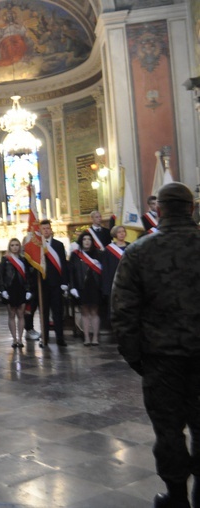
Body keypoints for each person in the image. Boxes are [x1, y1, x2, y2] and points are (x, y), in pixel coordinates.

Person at [112, 182, 200, 508]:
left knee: (169, 431)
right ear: (191, 208)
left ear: (158, 210)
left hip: (162, 361)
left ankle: (176, 497)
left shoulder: (139, 251)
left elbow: (122, 313)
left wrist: (137, 359)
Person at [39, 219, 69, 347]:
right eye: (43, 229)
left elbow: (63, 264)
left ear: (51, 230)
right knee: (43, 313)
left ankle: (60, 338)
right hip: (42, 284)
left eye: (48, 228)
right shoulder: (38, 246)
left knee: (58, 312)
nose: (46, 231)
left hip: (56, 284)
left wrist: (64, 282)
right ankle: (44, 338)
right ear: (40, 231)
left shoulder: (58, 245)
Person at [68, 232, 102, 346]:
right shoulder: (75, 255)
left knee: (94, 312)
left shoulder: (98, 254)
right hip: (81, 286)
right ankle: (86, 337)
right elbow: (71, 272)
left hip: (95, 286)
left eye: (89, 239)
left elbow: (103, 272)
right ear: (81, 241)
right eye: (84, 239)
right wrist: (72, 287)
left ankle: (95, 337)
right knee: (85, 312)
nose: (87, 241)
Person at [0, 238, 31, 348]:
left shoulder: (23, 259)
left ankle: (20, 339)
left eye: (17, 245)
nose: (15, 247)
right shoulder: (5, 259)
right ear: (9, 247)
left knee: (21, 314)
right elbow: (1, 276)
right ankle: (14, 339)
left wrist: (28, 290)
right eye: (12, 245)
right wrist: (3, 290)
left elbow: (27, 275)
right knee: (11, 314)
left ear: (20, 246)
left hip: (21, 289)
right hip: (9, 289)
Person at [101, 225, 128, 306]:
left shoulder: (131, 247)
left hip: (128, 281)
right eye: (119, 232)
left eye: (123, 231)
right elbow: (105, 269)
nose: (122, 234)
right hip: (114, 282)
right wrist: (106, 288)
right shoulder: (109, 250)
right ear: (115, 234)